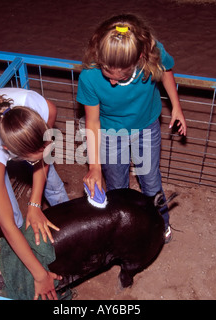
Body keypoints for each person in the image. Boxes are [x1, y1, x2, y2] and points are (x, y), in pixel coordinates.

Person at [77, 14, 187, 243]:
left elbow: (166, 71)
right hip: (109, 133)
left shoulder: (152, 53)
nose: (113, 83)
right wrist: (94, 166)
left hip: (146, 127)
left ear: (139, 57)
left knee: (150, 179)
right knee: (117, 186)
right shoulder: (89, 75)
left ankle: (161, 226)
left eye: (121, 76)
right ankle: (125, 230)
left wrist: (176, 106)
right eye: (108, 75)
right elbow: (93, 122)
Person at [0, 87, 69, 300]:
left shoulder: (45, 108)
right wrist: (40, 275)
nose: (42, 156)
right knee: (13, 216)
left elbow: (43, 159)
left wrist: (35, 204)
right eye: (31, 159)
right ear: (8, 151)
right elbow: (6, 224)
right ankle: (28, 251)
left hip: (25, 137)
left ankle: (67, 230)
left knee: (53, 184)